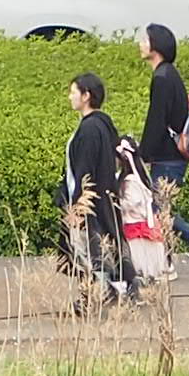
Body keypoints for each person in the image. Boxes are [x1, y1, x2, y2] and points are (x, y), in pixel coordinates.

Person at [134, 25, 189, 281]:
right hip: (170, 156)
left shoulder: (162, 78)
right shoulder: (167, 74)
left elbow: (157, 120)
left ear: (157, 46)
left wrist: (142, 154)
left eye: (145, 40)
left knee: (159, 211)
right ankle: (166, 263)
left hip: (168, 157)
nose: (141, 44)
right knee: (159, 210)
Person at [64, 72, 134, 304]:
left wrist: (76, 205)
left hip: (91, 200)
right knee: (107, 242)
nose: (70, 96)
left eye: (74, 92)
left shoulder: (89, 129)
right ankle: (119, 287)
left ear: (86, 96)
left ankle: (92, 296)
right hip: (106, 196)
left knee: (88, 247)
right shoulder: (103, 124)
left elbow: (84, 170)